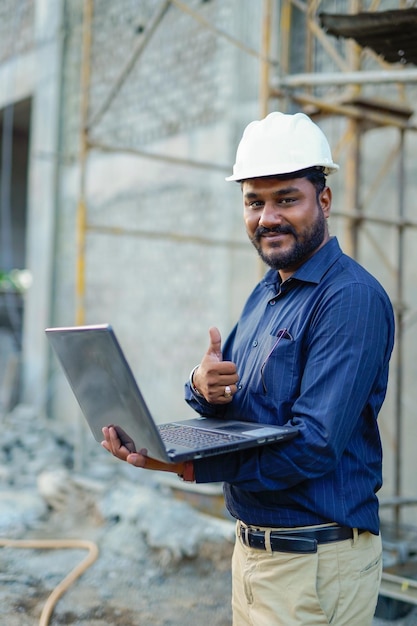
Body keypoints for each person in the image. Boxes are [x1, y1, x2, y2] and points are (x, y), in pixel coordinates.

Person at [102, 111, 395, 626]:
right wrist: (201, 385)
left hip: (313, 564)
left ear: (323, 200)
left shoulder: (350, 299)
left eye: (286, 199)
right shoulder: (268, 291)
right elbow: (238, 404)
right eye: (254, 201)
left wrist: (181, 464)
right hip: (259, 556)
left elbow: (312, 446)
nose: (268, 217)